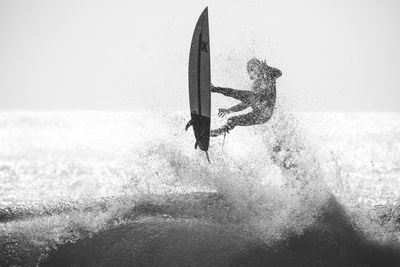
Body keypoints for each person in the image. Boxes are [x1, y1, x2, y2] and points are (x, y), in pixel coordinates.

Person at [210, 58, 282, 137]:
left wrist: (267, 68)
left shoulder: (268, 74)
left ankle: (214, 89)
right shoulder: (256, 85)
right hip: (260, 116)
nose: (249, 73)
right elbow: (246, 103)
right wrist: (229, 110)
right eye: (249, 70)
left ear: (257, 67)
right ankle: (220, 131)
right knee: (233, 120)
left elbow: (279, 73)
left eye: (251, 69)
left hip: (265, 109)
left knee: (239, 94)